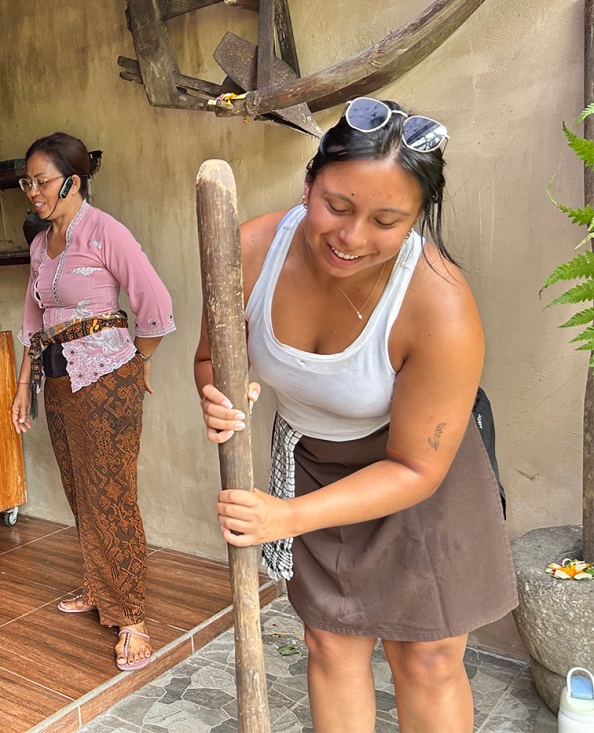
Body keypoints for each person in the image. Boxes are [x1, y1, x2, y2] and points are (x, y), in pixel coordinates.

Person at [194, 98, 517, 732]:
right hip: (316, 460)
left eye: (386, 220)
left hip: (421, 476)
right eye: (337, 206)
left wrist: (285, 517)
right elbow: (212, 356)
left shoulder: (438, 303)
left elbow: (416, 469)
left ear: (417, 219)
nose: (351, 237)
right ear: (309, 181)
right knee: (330, 642)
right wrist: (217, 393)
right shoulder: (249, 252)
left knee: (425, 657)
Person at [11, 132, 175, 671]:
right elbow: (34, 324)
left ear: (73, 182)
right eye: (27, 182)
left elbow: (154, 302)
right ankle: (98, 586)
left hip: (106, 377)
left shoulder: (107, 233)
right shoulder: (40, 245)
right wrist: (22, 387)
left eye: (42, 182)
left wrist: (140, 363)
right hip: (57, 378)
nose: (32, 191)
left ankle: (131, 615)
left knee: (111, 492)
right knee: (79, 487)